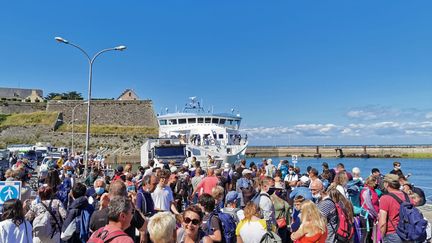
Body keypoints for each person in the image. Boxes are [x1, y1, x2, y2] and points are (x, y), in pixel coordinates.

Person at [378, 174, 409, 242]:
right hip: (407, 233)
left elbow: (383, 223)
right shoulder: (406, 196)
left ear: (387, 184)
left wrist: (381, 238)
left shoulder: (385, 198)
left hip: (392, 234)